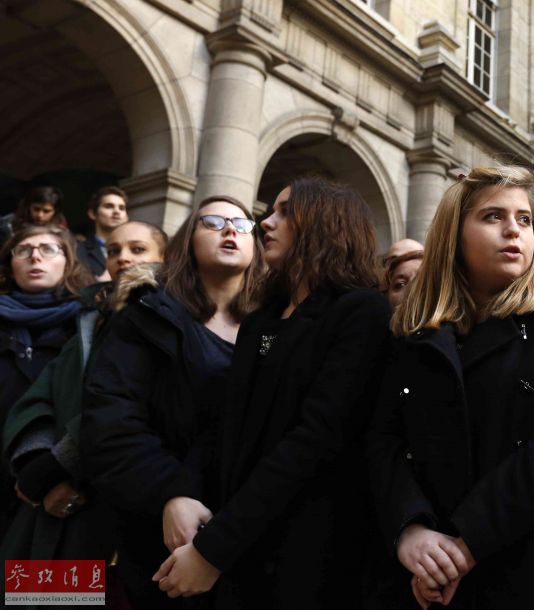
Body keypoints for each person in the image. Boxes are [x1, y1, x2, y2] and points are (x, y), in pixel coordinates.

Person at [367, 165, 534, 609]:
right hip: (427, 571)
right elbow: (384, 439)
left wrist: (466, 542)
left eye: (525, 219)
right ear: (454, 234)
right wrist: (410, 529)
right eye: (492, 216)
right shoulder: (416, 330)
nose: (513, 230)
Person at [151, 177, 391, 609]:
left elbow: (315, 439)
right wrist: (182, 492)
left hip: (308, 553)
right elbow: (224, 423)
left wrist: (215, 549)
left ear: (324, 222)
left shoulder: (360, 310)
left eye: (285, 211)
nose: (265, 222)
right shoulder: (262, 320)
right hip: (238, 547)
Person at [80, 197, 262, 609]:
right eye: (212, 221)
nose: (229, 230)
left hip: (244, 536)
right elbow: (111, 419)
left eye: (242, 224)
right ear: (187, 241)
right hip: (150, 530)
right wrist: (171, 493)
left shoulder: (274, 328)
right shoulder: (148, 315)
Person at [1, 221, 167, 564]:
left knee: (89, 584)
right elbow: (45, 391)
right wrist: (34, 461)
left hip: (111, 496)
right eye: (113, 251)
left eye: (137, 249)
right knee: (34, 585)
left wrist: (59, 466)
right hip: (38, 487)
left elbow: (124, 405)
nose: (123, 258)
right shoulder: (92, 318)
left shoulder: (161, 314)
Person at [0, 226, 92, 534]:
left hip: (53, 487)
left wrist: (61, 470)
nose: (35, 256)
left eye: (48, 249)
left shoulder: (91, 323)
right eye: (23, 250)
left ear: (69, 262)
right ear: (10, 266)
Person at [77, 186, 130, 281]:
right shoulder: (77, 250)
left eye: (122, 208)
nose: (117, 211)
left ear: (126, 217)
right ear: (93, 214)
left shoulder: (137, 250)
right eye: (109, 206)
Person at [0, 186, 68, 245]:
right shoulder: (9, 225)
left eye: (46, 211)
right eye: (36, 209)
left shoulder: (60, 230)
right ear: (28, 207)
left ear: (55, 212)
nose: (40, 215)